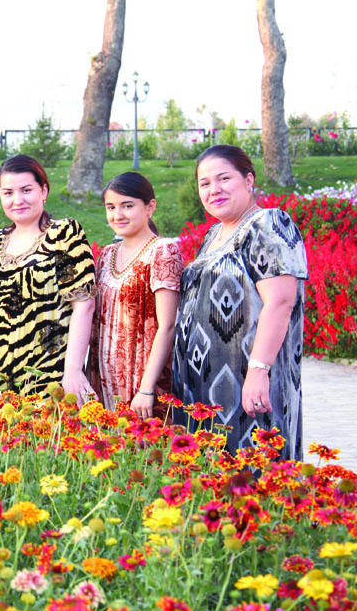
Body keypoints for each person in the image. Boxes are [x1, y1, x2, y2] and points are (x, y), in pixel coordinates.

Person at [172, 144, 307, 460]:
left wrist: (258, 371)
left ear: (249, 180)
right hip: (201, 389)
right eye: (205, 183)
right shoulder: (214, 235)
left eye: (224, 179)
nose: (214, 190)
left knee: (254, 472)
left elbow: (280, 301)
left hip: (248, 385)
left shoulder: (269, 224)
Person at [0, 155, 96, 401]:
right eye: (8, 193)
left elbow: (84, 304)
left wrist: (73, 371)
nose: (17, 200)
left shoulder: (64, 234)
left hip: (48, 372)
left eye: (26, 190)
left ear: (43, 191)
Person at [89, 172, 183, 418]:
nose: (117, 215)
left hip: (142, 381)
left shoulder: (162, 251)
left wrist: (146, 388)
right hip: (104, 379)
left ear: (150, 207)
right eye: (111, 207)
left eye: (127, 205)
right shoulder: (106, 255)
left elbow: (168, 325)